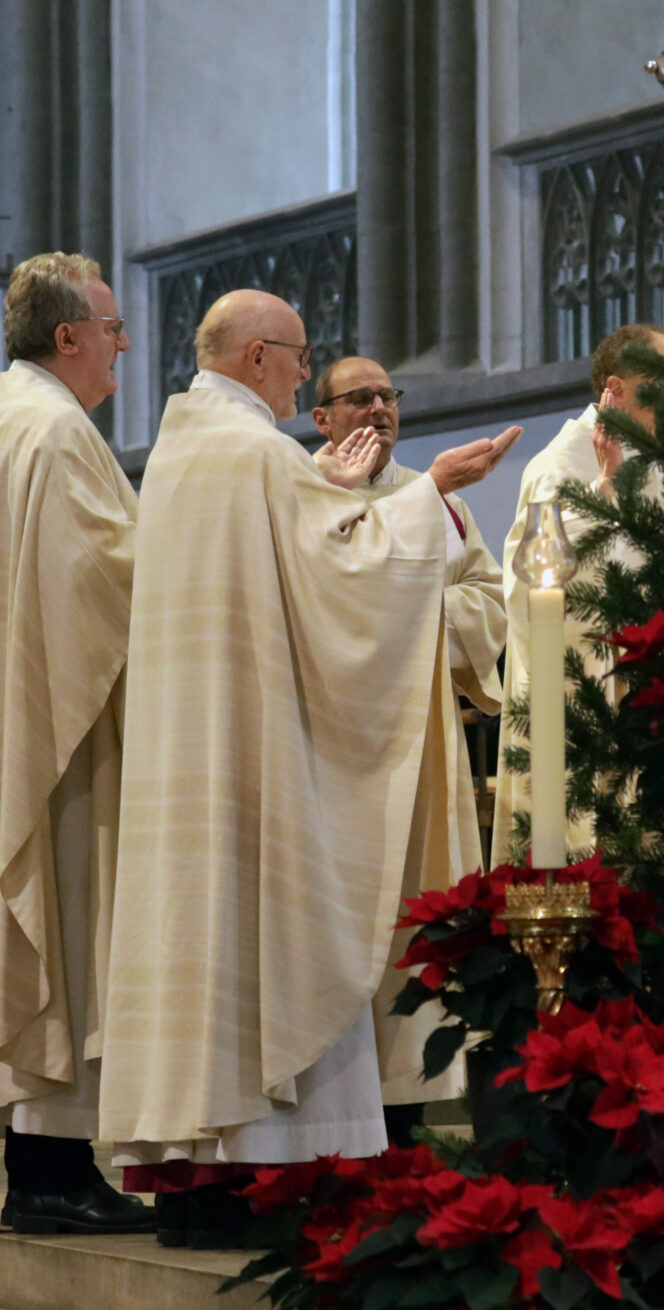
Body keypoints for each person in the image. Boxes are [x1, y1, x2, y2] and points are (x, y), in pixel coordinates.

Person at [97, 289, 521, 1247]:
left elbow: (302, 553)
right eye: (296, 356)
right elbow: (346, 578)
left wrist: (335, 488)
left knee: (200, 959)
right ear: (257, 356)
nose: (301, 371)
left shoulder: (183, 447)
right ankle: (255, 1187)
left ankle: (192, 1191)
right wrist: (430, 488)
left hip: (191, 761)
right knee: (258, 954)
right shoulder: (254, 452)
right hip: (252, 763)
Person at [310, 356, 508, 1142]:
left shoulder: (442, 505)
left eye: (388, 396)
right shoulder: (304, 492)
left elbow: (490, 601)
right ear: (321, 417)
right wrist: (403, 603)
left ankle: (408, 1113)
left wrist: (412, 609)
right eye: (359, 398)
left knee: (416, 927)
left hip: (424, 752)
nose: (379, 409)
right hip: (333, 757)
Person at [0, 254, 152, 1234]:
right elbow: (110, 572)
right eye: (109, 327)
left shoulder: (13, 413)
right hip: (60, 724)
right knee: (67, 928)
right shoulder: (55, 431)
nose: (121, 345)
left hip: (28, 703)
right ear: (67, 337)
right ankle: (51, 1174)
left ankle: (44, 1166)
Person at [494, 323, 664, 862]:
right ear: (616, 390)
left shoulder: (654, 467)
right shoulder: (556, 469)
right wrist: (608, 497)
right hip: (577, 714)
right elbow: (541, 594)